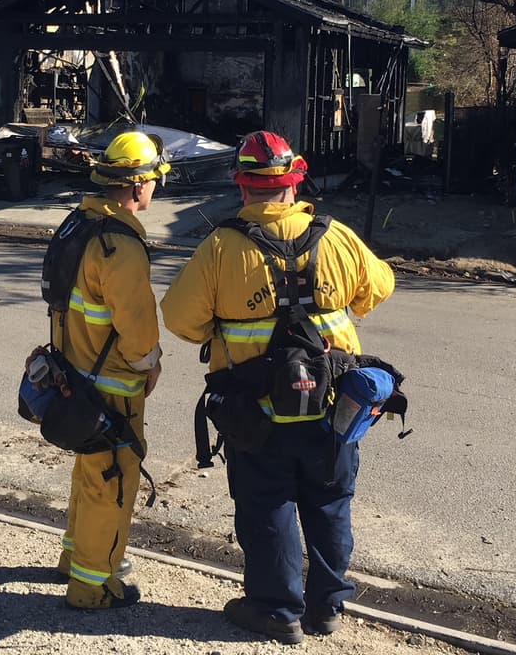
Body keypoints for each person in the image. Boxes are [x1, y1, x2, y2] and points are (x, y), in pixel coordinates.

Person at [160, 130, 396, 645]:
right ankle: (328, 608)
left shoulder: (220, 247)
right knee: (331, 504)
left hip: (255, 413)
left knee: (267, 505)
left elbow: (179, 319)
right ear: (295, 182)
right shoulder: (335, 236)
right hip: (334, 408)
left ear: (243, 186)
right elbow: (378, 287)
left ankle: (275, 610)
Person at [52, 130, 168, 611]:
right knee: (113, 483)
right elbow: (137, 326)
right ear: (139, 185)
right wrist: (151, 364)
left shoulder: (77, 225)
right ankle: (93, 586)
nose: (155, 189)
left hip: (73, 374)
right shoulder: (120, 245)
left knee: (89, 472)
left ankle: (74, 558)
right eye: (154, 181)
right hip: (112, 384)